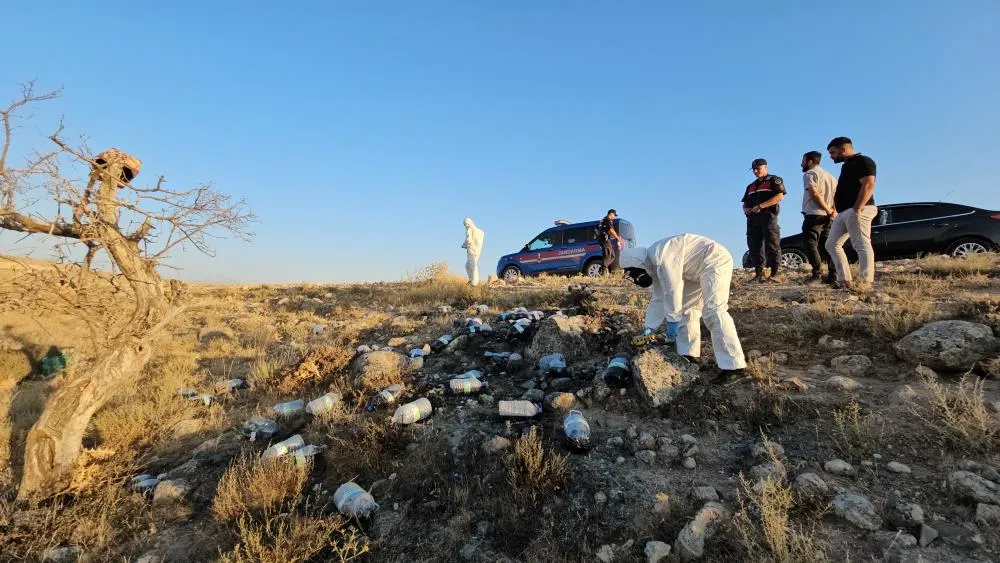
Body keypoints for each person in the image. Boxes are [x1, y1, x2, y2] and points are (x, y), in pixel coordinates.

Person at [620, 234, 747, 382]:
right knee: (688, 310)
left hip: (714, 261)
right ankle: (689, 355)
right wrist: (649, 329)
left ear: (638, 264)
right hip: (694, 271)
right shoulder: (653, 267)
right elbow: (658, 299)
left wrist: (673, 319)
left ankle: (734, 365)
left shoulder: (660, 256)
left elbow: (673, 289)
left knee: (714, 310)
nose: (635, 279)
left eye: (633, 273)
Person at [825, 137, 878, 290]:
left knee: (861, 243)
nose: (831, 156)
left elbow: (868, 184)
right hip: (843, 212)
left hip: (859, 209)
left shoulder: (864, 161)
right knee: (831, 244)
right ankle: (845, 280)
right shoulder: (847, 165)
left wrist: (857, 208)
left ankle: (865, 282)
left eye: (833, 152)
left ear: (843, 149)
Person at [741, 158, 785, 283]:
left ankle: (775, 273)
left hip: (768, 217)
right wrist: (745, 209)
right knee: (754, 246)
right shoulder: (750, 186)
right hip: (752, 220)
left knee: (772, 244)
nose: (756, 171)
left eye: (758, 168)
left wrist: (761, 206)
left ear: (765, 167)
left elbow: (779, 196)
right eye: (754, 169)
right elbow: (744, 202)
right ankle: (759, 274)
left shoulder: (774, 180)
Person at [800, 151, 838, 284]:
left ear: (810, 161)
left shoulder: (810, 174)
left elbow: (814, 193)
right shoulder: (831, 176)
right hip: (829, 216)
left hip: (815, 215)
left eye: (803, 161)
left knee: (809, 244)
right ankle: (833, 275)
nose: (801, 164)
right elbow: (836, 196)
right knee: (827, 246)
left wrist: (827, 209)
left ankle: (817, 274)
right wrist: (833, 211)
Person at [596, 209, 625, 274]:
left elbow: (609, 231)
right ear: (611, 213)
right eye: (614, 215)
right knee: (608, 255)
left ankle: (603, 268)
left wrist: (615, 236)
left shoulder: (604, 220)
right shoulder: (607, 219)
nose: (614, 217)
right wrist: (618, 238)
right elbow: (611, 229)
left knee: (612, 256)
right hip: (605, 239)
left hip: (604, 239)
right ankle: (603, 271)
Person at [462, 218, 485, 286]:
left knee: (473, 265)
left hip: (471, 250)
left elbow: (469, 240)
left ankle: (474, 282)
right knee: (468, 265)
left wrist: (465, 245)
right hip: (477, 250)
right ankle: (472, 280)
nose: (465, 226)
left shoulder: (469, 230)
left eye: (465, 224)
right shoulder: (479, 231)